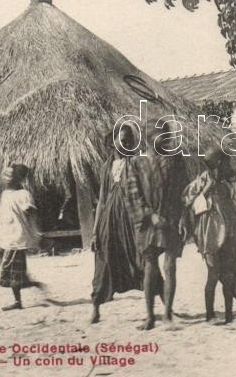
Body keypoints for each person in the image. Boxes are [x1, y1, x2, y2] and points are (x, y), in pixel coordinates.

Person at [89, 125, 161, 324]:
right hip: (109, 222)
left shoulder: (138, 164)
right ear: (113, 142)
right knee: (103, 262)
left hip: (133, 220)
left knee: (146, 261)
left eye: (130, 139)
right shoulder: (106, 168)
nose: (128, 143)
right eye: (123, 139)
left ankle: (159, 311)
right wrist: (95, 233)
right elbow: (102, 201)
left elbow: (148, 194)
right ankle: (95, 308)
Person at [182, 146, 236, 324]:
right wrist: (207, 188)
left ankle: (229, 314)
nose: (228, 166)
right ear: (218, 164)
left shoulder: (227, 184)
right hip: (209, 236)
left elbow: (235, 207)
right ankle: (210, 315)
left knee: (229, 275)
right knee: (213, 274)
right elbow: (188, 202)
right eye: (226, 163)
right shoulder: (201, 182)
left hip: (228, 235)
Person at [136, 123, 190, 330]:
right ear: (150, 139)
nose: (167, 140)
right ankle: (150, 316)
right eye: (162, 137)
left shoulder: (176, 161)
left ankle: (167, 315)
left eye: (167, 136)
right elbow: (133, 195)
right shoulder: (138, 163)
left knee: (170, 266)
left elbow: (185, 191)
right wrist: (150, 215)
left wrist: (184, 217)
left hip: (172, 219)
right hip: (148, 223)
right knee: (150, 268)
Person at [0, 164, 44, 311]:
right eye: (5, 175)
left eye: (9, 175)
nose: (6, 178)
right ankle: (27, 284)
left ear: (18, 178)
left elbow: (31, 214)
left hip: (16, 237)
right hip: (5, 236)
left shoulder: (23, 194)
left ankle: (19, 299)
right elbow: (1, 214)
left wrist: (36, 232)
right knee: (6, 266)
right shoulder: (5, 194)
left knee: (10, 270)